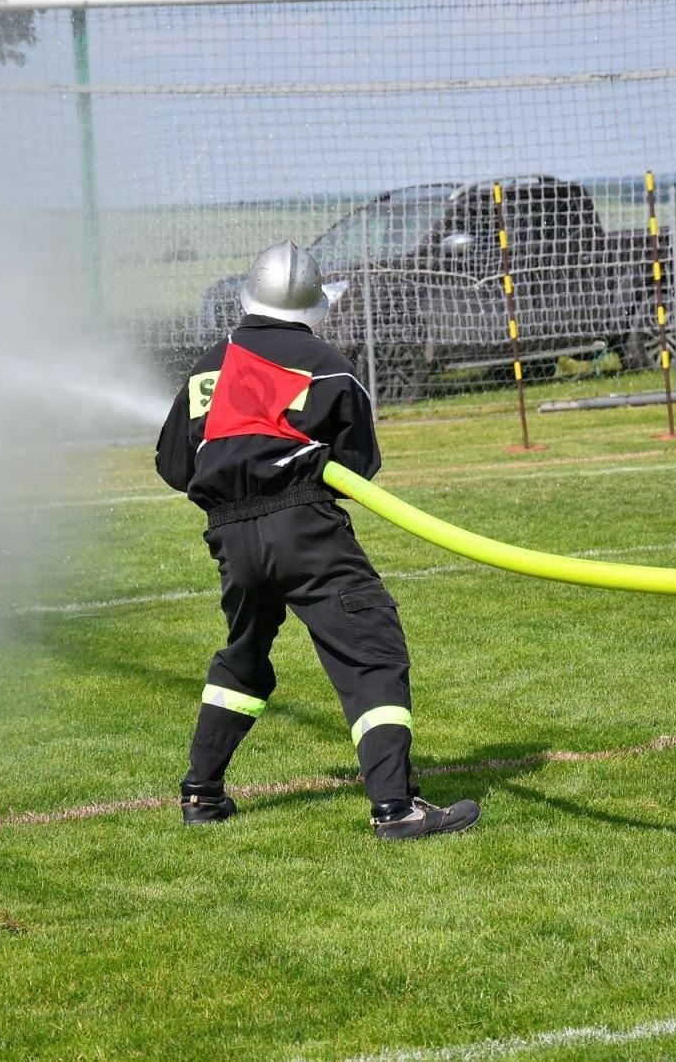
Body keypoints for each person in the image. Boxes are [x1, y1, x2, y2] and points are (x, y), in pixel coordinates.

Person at [154, 240, 480, 841]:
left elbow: (175, 466)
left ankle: (200, 794)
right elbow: (358, 469)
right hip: (304, 526)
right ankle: (396, 809)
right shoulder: (327, 364)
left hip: (230, 535)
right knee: (370, 651)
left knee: (245, 655)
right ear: (313, 305)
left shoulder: (208, 364)